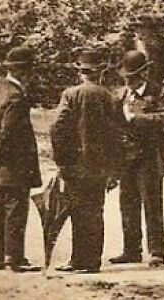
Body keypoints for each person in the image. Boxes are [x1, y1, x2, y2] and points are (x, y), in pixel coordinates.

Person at [49, 47, 118, 273]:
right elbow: (118, 135)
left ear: (81, 72)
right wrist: (113, 170)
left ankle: (79, 260)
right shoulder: (109, 97)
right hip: (100, 166)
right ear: (101, 72)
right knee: (95, 211)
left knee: (78, 211)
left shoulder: (71, 95)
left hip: (76, 165)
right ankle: (91, 261)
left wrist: (62, 161)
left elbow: (58, 128)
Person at [109, 49, 164, 268]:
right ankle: (131, 250)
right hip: (125, 157)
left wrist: (136, 118)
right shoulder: (119, 95)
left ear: (144, 73)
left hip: (150, 156)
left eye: (133, 76)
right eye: (126, 77)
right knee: (127, 204)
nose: (129, 81)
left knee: (152, 204)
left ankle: (156, 252)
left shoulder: (159, 93)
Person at [0, 44, 41, 272]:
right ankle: (14, 258)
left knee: (1, 207)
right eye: (30, 70)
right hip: (14, 163)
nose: (32, 75)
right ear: (23, 71)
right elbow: (8, 134)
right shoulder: (16, 97)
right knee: (16, 208)